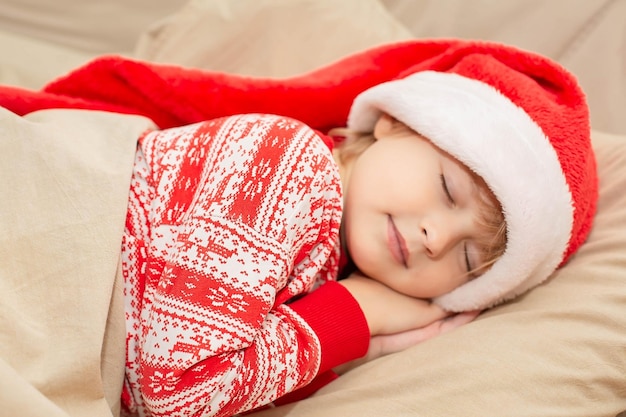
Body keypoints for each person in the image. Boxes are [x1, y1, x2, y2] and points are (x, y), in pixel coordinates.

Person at [120, 43, 597, 417]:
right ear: (393, 123)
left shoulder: (326, 267)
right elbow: (174, 394)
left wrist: (371, 345)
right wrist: (359, 314)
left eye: (469, 261)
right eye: (448, 189)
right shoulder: (289, 164)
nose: (438, 237)